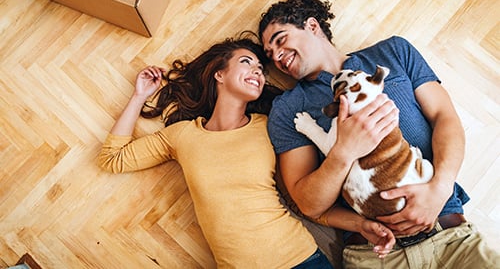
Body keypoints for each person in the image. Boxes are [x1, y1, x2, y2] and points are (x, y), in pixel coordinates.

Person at [257, 0, 500, 268]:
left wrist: (440, 189)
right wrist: (344, 152)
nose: (276, 56)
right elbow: (308, 203)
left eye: (280, 40)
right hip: (375, 256)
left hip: (452, 238)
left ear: (312, 26)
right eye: (269, 54)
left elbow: (445, 118)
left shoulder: (394, 51)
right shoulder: (287, 109)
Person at [97, 36, 337, 268]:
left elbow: (299, 200)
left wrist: (359, 224)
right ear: (219, 74)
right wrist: (139, 96)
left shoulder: (268, 126)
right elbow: (112, 158)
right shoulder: (182, 136)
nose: (257, 71)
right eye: (246, 62)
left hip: (301, 259)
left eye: (260, 69)